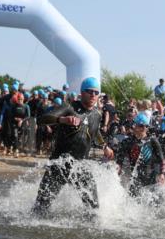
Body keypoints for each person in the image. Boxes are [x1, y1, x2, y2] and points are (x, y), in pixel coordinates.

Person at [32, 77, 112, 216]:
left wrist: (104, 146)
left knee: (93, 209)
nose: (93, 95)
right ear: (82, 92)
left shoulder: (97, 115)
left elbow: (95, 131)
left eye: (96, 92)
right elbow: (42, 119)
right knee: (41, 207)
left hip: (80, 166)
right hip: (60, 164)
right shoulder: (69, 107)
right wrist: (61, 120)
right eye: (89, 91)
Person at [116, 113, 165, 190]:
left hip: (151, 179)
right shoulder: (127, 142)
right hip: (135, 178)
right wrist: (116, 173)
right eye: (141, 126)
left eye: (146, 126)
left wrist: (162, 174)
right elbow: (119, 161)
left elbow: (162, 160)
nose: (144, 128)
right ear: (135, 126)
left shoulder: (152, 140)